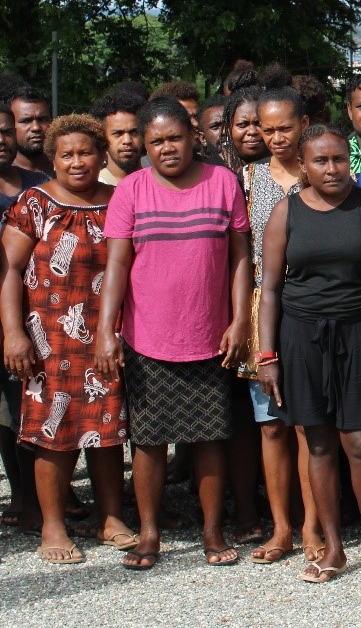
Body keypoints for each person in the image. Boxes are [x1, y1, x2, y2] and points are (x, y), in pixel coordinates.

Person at [95, 99, 252, 570]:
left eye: (175, 138)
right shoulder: (132, 191)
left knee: (209, 437)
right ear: (145, 144)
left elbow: (240, 257)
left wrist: (240, 318)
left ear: (193, 137)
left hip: (210, 334)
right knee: (148, 440)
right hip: (147, 337)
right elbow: (117, 264)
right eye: (157, 141)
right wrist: (107, 330)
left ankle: (211, 530)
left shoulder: (223, 182)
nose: (167, 148)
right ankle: (147, 531)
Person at [257, 125, 361, 584]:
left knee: (360, 443)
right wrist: (267, 354)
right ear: (304, 165)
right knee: (317, 441)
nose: (332, 168)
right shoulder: (286, 212)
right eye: (320, 161)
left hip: (360, 335)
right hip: (301, 338)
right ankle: (334, 547)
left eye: (340, 159)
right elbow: (271, 290)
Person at [2, 116, 134, 563]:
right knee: (53, 433)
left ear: (102, 156)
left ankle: (110, 517)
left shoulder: (119, 201)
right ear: (53, 159)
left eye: (86, 153)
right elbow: (9, 273)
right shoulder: (34, 203)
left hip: (106, 336)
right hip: (47, 340)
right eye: (67, 154)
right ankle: (53, 526)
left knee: (108, 426)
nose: (77, 162)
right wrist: (14, 333)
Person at [238, 86, 316, 564]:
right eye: (267, 129)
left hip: (312, 309)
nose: (275, 137)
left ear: (303, 124)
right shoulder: (246, 178)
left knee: (308, 425)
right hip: (261, 311)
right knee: (270, 425)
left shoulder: (323, 171)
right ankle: (281, 527)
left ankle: (313, 524)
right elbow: (239, 253)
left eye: (284, 127)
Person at [0, 108, 49, 533]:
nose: (1, 138)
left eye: (3, 130)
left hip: (27, 319)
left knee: (23, 412)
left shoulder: (37, 189)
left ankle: (39, 501)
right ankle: (21, 494)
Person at [89, 91, 146, 185]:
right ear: (103, 137)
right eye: (118, 133)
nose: (127, 140)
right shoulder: (93, 189)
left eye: (134, 132)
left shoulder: (159, 184)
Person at [215, 85, 267, 174]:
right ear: (228, 128)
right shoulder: (214, 170)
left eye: (258, 123)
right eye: (242, 125)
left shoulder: (286, 166)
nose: (252, 131)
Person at [9, 87, 54, 177]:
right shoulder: (4, 177)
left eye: (43, 119)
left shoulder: (67, 172)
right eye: (26, 121)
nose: (36, 127)